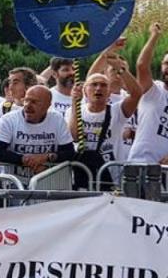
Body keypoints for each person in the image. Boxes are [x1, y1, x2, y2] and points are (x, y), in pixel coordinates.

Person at [67, 61, 140, 188]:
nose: (98, 88)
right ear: (85, 90)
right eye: (94, 85)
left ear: (109, 92)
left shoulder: (117, 111)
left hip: (111, 175)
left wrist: (121, 70)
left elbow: (136, 94)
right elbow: (74, 136)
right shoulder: (74, 110)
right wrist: (74, 103)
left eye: (103, 85)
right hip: (82, 172)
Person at [0, 85, 73, 174]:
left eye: (34, 102)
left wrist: (46, 157)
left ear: (47, 105)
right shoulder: (8, 119)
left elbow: (69, 152)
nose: (27, 105)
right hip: (16, 183)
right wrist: (25, 160)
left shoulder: (57, 119)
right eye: (26, 100)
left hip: (50, 183)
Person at [128, 22, 168, 165]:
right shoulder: (153, 90)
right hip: (140, 164)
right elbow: (141, 65)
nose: (167, 68)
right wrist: (154, 36)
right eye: (165, 64)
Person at [0, 67, 37, 138]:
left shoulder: (42, 108)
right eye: (9, 83)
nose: (10, 87)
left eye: (15, 83)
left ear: (29, 85)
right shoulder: (2, 108)